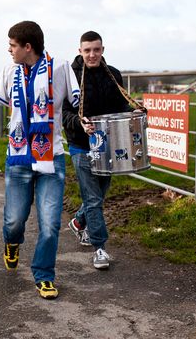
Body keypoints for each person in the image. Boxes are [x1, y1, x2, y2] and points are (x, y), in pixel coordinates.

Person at [0, 21, 80, 299]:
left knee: (50, 224)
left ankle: (44, 275)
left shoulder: (60, 68)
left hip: (52, 156)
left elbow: (78, 102)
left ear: (28, 46)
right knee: (14, 221)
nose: (9, 50)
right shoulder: (9, 71)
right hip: (18, 158)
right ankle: (12, 242)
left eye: (13, 45)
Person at [62, 31, 135, 269]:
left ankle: (78, 222)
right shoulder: (69, 76)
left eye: (96, 49)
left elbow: (119, 105)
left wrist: (132, 111)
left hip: (107, 145)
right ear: (80, 51)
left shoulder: (112, 74)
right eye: (87, 50)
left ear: (102, 50)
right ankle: (100, 248)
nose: (92, 54)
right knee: (93, 198)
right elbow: (63, 113)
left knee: (99, 194)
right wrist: (79, 123)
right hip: (80, 145)